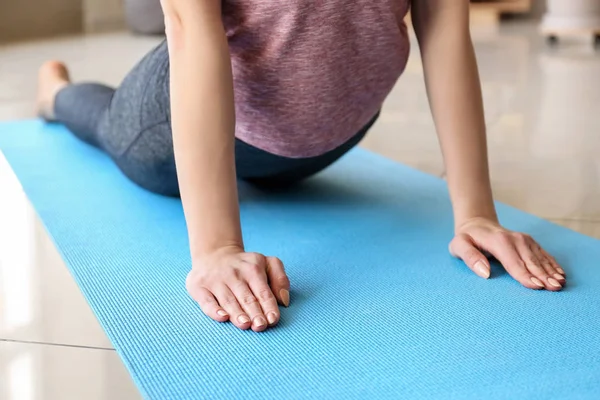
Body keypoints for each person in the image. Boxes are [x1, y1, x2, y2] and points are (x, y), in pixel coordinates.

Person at [36, 0, 566, 333]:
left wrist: (475, 213)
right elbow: (189, 26)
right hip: (174, 123)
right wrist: (218, 248)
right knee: (113, 127)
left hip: (331, 135)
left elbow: (444, 23)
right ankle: (56, 93)